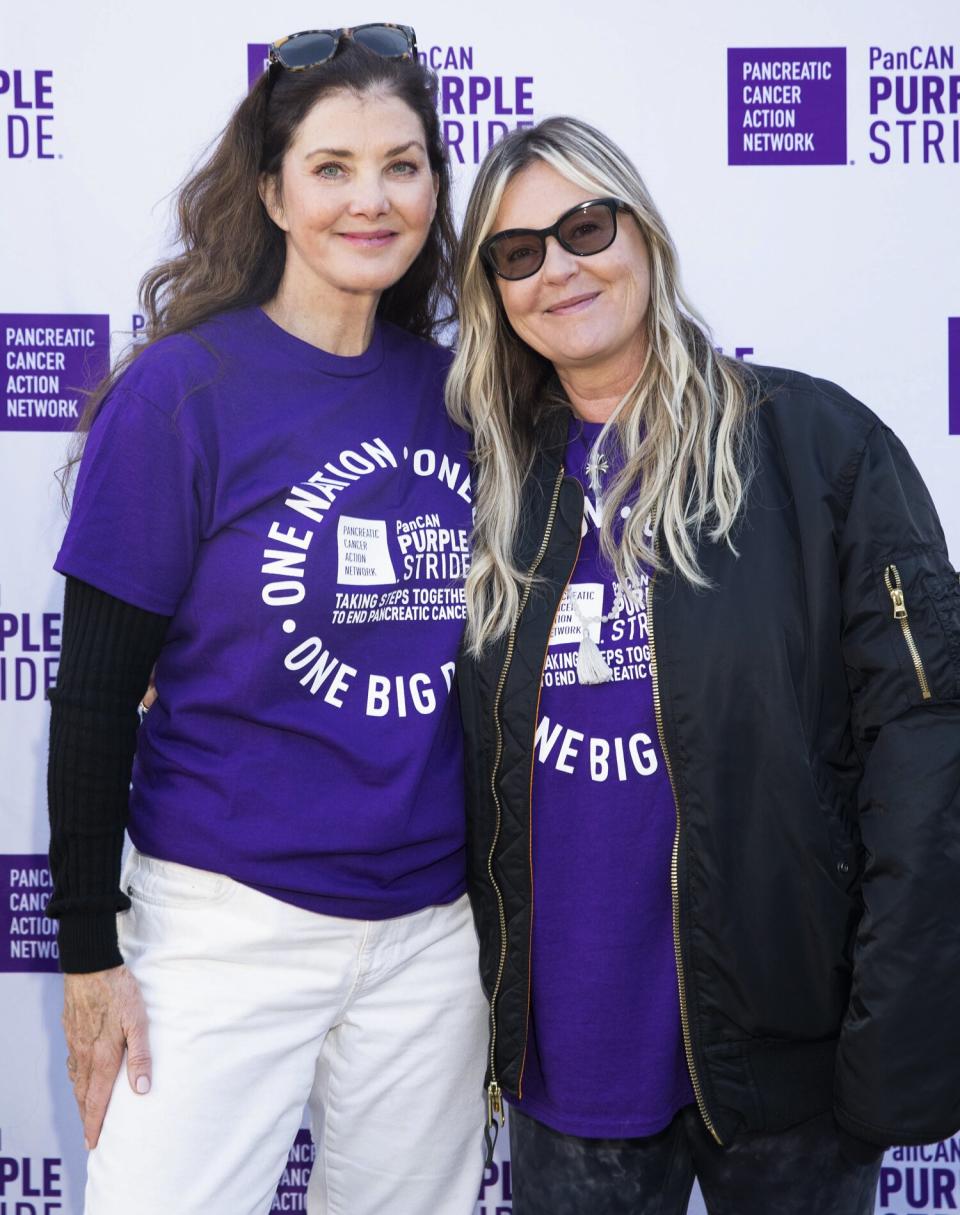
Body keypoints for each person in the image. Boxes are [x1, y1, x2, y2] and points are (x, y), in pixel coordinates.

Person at [446, 115, 960, 1214]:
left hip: (789, 1061)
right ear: (492, 293)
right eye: (517, 253)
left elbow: (922, 752)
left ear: (645, 234)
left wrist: (893, 1036)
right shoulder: (479, 484)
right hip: (564, 1070)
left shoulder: (817, 448)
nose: (561, 269)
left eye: (585, 227)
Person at [47, 26, 486, 1215]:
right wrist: (89, 958)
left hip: (431, 941)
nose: (371, 198)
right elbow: (92, 697)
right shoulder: (182, 394)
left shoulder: (460, 396)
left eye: (402, 164)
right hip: (226, 927)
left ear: (434, 187)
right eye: (332, 166)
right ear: (272, 191)